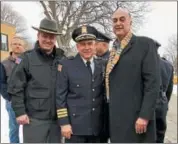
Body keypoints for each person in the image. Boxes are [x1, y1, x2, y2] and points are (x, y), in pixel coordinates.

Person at [105, 8, 160, 142]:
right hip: (117, 119)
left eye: (122, 19)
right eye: (115, 20)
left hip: (137, 120)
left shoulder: (145, 44)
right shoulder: (114, 49)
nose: (118, 23)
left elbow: (152, 84)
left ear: (130, 22)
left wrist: (144, 116)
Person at [7, 18, 65, 143]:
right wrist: (20, 112)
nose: (48, 40)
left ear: (55, 38)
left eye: (52, 37)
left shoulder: (62, 58)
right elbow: (15, 87)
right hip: (34, 121)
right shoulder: (27, 59)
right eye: (45, 36)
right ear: (38, 35)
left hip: (56, 122)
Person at [56, 25, 105, 143]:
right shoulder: (67, 65)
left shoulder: (102, 64)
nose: (87, 47)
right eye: (83, 44)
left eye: (90, 43)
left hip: (97, 129)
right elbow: (60, 97)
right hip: (75, 129)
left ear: (95, 45)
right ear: (77, 47)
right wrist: (64, 123)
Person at [0, 36, 26, 143]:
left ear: (24, 47)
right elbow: (1, 83)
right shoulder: (4, 64)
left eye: (20, 44)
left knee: (31, 128)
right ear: (11, 46)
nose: (17, 46)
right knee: (14, 128)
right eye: (15, 44)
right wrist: (9, 97)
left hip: (29, 100)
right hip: (13, 101)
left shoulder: (28, 62)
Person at [155, 41, 174, 143]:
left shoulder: (144, 63)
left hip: (146, 106)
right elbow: (169, 90)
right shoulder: (168, 65)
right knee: (159, 135)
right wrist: (164, 103)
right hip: (162, 104)